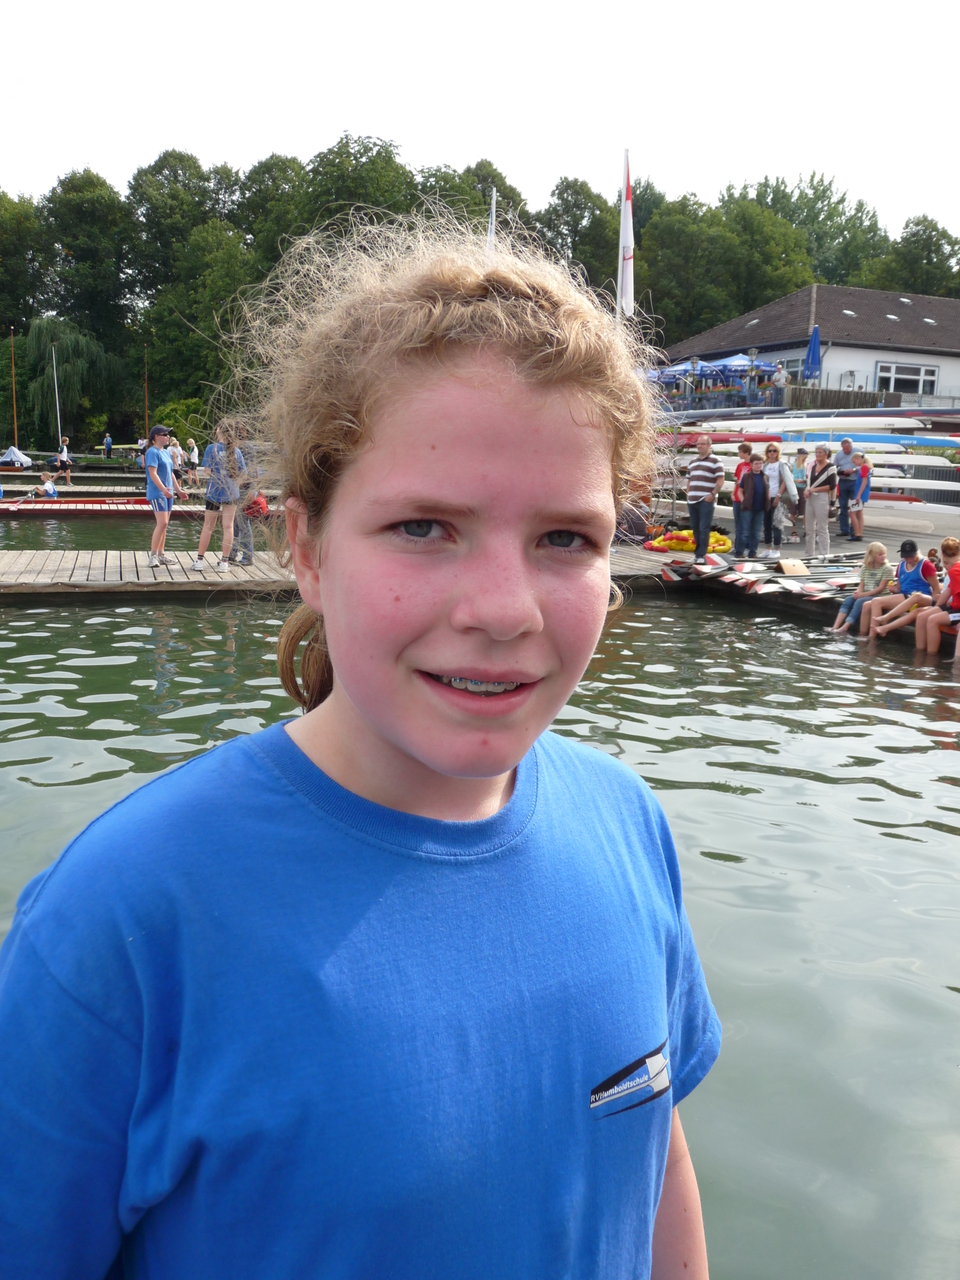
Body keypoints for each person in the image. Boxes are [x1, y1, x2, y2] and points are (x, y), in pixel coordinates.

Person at [0, 219, 720, 1280]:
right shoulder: (125, 916)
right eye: (424, 527)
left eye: (566, 537)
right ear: (305, 546)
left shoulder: (627, 824)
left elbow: (655, 1163)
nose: (504, 609)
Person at [191, 422, 247, 572]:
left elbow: (207, 471)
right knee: (228, 527)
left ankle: (199, 560)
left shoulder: (212, 448)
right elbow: (243, 474)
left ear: (220, 431)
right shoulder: (236, 451)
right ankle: (224, 562)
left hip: (214, 492)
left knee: (208, 526)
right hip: (231, 492)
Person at [866, 540, 940, 637]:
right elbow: (898, 588)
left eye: (911, 556)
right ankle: (867, 633)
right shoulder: (901, 565)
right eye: (906, 557)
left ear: (917, 553)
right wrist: (893, 589)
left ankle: (873, 637)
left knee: (876, 602)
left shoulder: (926, 565)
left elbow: (936, 589)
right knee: (868, 604)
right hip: (905, 596)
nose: (909, 559)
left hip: (920, 597)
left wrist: (934, 607)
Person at [145, 425, 187, 568]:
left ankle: (161, 555)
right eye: (165, 434)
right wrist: (163, 489)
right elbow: (153, 474)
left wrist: (178, 490)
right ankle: (153, 556)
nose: (168, 437)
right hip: (158, 492)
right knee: (162, 523)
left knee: (165, 524)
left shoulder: (165, 453)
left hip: (168, 493)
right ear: (156, 436)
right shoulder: (152, 452)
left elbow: (170, 473)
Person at [829, 542, 894, 635]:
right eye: (880, 554)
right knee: (848, 599)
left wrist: (863, 594)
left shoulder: (887, 568)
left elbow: (881, 588)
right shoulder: (865, 567)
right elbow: (861, 584)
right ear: (872, 556)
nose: (883, 556)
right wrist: (858, 592)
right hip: (866, 593)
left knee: (860, 602)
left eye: (884, 554)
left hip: (879, 595)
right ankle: (835, 626)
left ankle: (845, 626)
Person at [913, 537, 960, 655]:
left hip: (958, 610)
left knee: (932, 620)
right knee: (922, 616)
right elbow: (947, 592)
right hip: (954, 607)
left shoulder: (955, 571)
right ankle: (919, 653)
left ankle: (931, 657)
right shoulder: (954, 569)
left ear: (943, 555)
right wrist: (935, 608)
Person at [684, 432, 725, 563]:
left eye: (702, 444)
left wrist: (712, 494)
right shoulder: (692, 462)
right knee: (695, 528)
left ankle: (701, 555)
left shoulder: (716, 461)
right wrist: (688, 494)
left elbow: (721, 479)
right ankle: (698, 554)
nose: (700, 446)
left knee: (703, 528)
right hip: (692, 499)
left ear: (709, 445)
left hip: (705, 500)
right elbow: (689, 479)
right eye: (698, 444)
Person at [760, 442, 796, 558]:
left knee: (777, 523)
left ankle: (776, 549)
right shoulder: (765, 465)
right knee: (766, 523)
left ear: (778, 452)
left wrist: (778, 495)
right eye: (769, 451)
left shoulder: (781, 464)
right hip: (766, 497)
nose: (772, 453)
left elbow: (786, 480)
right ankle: (768, 548)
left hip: (778, 497)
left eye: (774, 451)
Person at [805, 443, 836, 558]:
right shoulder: (813, 466)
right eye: (816, 452)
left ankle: (824, 555)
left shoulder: (831, 467)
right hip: (811, 497)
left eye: (820, 452)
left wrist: (815, 489)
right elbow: (809, 482)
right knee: (809, 528)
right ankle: (809, 554)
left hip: (822, 497)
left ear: (826, 454)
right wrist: (807, 490)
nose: (817, 454)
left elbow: (832, 485)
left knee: (822, 528)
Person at [738, 453, 768, 557]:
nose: (759, 466)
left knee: (756, 532)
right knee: (745, 532)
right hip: (748, 508)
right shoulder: (746, 476)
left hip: (760, 508)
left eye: (760, 463)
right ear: (751, 464)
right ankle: (739, 552)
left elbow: (767, 491)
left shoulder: (765, 477)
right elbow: (740, 491)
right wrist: (743, 501)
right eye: (756, 464)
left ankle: (753, 553)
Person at [731, 441, 753, 557]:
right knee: (738, 525)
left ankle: (747, 547)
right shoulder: (740, 465)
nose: (739, 454)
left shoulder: (752, 465)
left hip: (746, 498)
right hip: (737, 498)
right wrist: (733, 492)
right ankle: (738, 547)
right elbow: (737, 481)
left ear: (746, 452)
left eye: (740, 452)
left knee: (746, 524)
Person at [833, 438, 857, 537]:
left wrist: (854, 469)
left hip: (855, 481)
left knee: (855, 506)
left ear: (851, 446)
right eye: (844, 449)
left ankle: (854, 530)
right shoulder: (839, 454)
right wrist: (841, 471)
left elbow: (865, 465)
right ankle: (844, 529)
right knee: (843, 506)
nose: (846, 451)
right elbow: (834, 466)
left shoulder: (858, 452)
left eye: (847, 449)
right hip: (843, 480)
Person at [846, 450, 872, 541]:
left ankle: (856, 533)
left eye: (854, 462)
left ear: (858, 459)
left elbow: (864, 482)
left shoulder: (864, 467)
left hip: (860, 494)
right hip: (862, 494)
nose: (854, 464)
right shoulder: (865, 467)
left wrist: (858, 495)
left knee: (852, 513)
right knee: (859, 514)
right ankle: (859, 533)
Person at [790, 446, 809, 542]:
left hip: (803, 488)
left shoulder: (806, 466)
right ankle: (793, 530)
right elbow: (788, 478)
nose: (805, 459)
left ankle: (806, 530)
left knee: (805, 511)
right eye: (804, 457)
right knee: (793, 511)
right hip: (795, 488)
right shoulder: (792, 465)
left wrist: (806, 480)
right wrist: (796, 480)